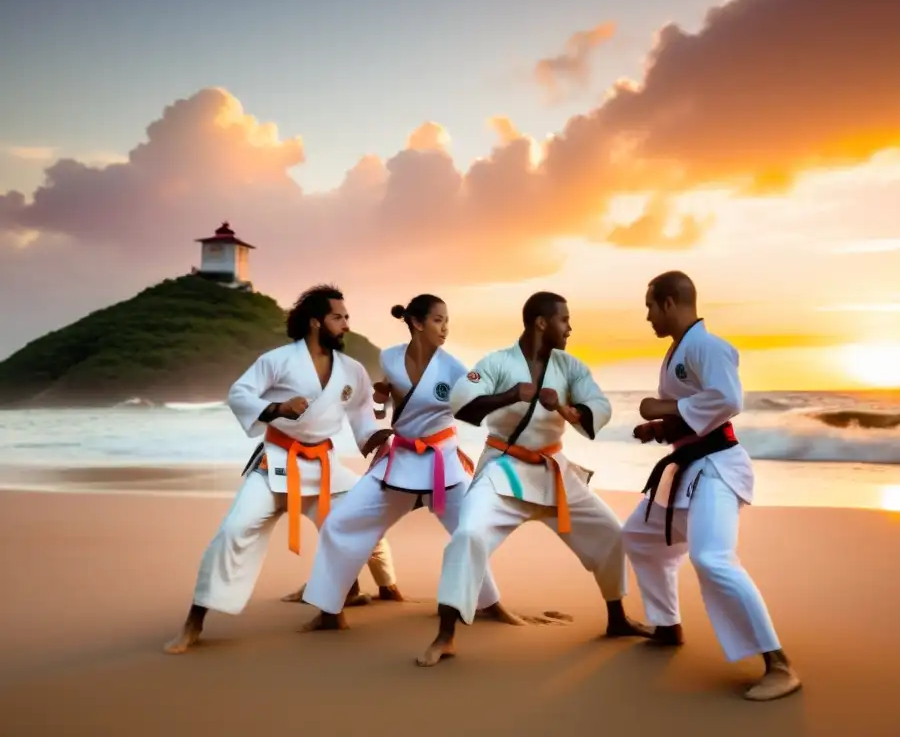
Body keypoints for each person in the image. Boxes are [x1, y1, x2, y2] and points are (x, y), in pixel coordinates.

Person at [416, 291, 652, 667]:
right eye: (564, 320)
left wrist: (563, 406)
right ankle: (446, 635)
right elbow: (461, 400)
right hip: (504, 469)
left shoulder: (571, 367)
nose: (569, 327)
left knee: (610, 533)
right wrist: (512, 394)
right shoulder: (496, 363)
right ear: (542, 322)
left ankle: (617, 618)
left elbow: (599, 408)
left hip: (553, 470)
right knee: (468, 535)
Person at [163, 284, 402, 654]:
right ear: (314, 322)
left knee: (359, 519)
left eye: (347, 317)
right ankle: (194, 622)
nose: (345, 324)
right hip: (276, 463)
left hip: (324, 466)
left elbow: (362, 422)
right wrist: (277, 409)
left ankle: (339, 607)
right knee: (234, 531)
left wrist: (382, 436)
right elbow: (239, 393)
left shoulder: (351, 370)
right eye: (338, 317)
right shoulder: (277, 360)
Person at [299, 294, 539, 631]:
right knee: (340, 522)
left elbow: (472, 408)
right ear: (416, 322)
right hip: (400, 461)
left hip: (444, 465)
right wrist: (382, 401)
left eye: (447, 321)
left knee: (470, 533)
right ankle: (329, 611)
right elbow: (392, 405)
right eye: (439, 320)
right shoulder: (391, 358)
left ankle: (490, 604)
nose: (445, 328)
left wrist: (512, 395)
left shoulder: (454, 368)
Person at [621, 270, 801, 701]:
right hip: (687, 466)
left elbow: (728, 399)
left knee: (711, 557)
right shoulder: (678, 351)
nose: (647, 316)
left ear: (668, 303)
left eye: (650, 305)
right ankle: (667, 625)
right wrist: (659, 428)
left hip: (717, 468)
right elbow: (696, 414)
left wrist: (661, 405)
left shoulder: (708, 346)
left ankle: (779, 664)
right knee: (640, 537)